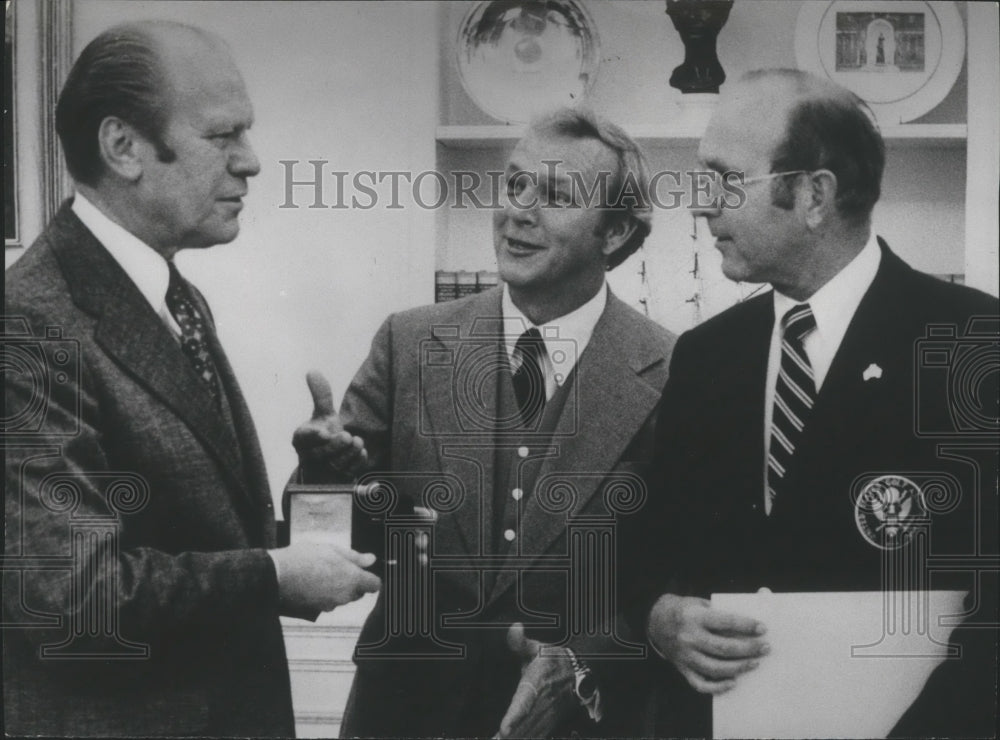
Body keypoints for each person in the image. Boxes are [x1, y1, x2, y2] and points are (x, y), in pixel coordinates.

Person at [2, 21, 380, 737]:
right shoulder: (29, 323)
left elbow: (182, 534)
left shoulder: (172, 296)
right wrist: (272, 574)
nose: (252, 162)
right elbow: (74, 602)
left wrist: (311, 487)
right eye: (222, 135)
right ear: (123, 147)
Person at [634, 68, 998, 737]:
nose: (699, 204)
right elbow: (652, 546)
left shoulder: (974, 345)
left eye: (722, 179)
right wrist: (660, 616)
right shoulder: (705, 356)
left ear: (813, 194)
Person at [293, 107, 676, 738]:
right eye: (516, 184)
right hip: (405, 712)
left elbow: (673, 578)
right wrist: (323, 473)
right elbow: (341, 538)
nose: (520, 210)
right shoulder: (410, 341)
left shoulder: (670, 371)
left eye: (556, 195)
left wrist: (584, 662)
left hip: (574, 720)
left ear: (613, 234)